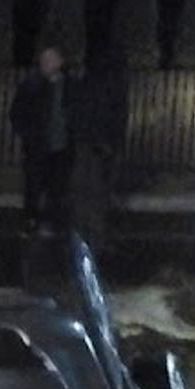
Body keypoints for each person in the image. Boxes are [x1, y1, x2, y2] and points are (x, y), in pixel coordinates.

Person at [10, 46, 75, 234]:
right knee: (34, 186)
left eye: (51, 60)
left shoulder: (69, 86)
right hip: (38, 145)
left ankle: (52, 222)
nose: (46, 65)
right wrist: (28, 134)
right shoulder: (32, 85)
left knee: (57, 188)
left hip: (62, 146)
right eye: (44, 61)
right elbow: (17, 113)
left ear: (60, 62)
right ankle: (31, 221)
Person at [70, 50, 129, 248]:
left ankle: (81, 232)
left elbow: (78, 115)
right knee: (97, 192)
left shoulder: (82, 85)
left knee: (82, 190)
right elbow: (110, 117)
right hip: (99, 144)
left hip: (83, 142)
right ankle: (95, 235)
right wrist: (109, 144)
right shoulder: (111, 86)